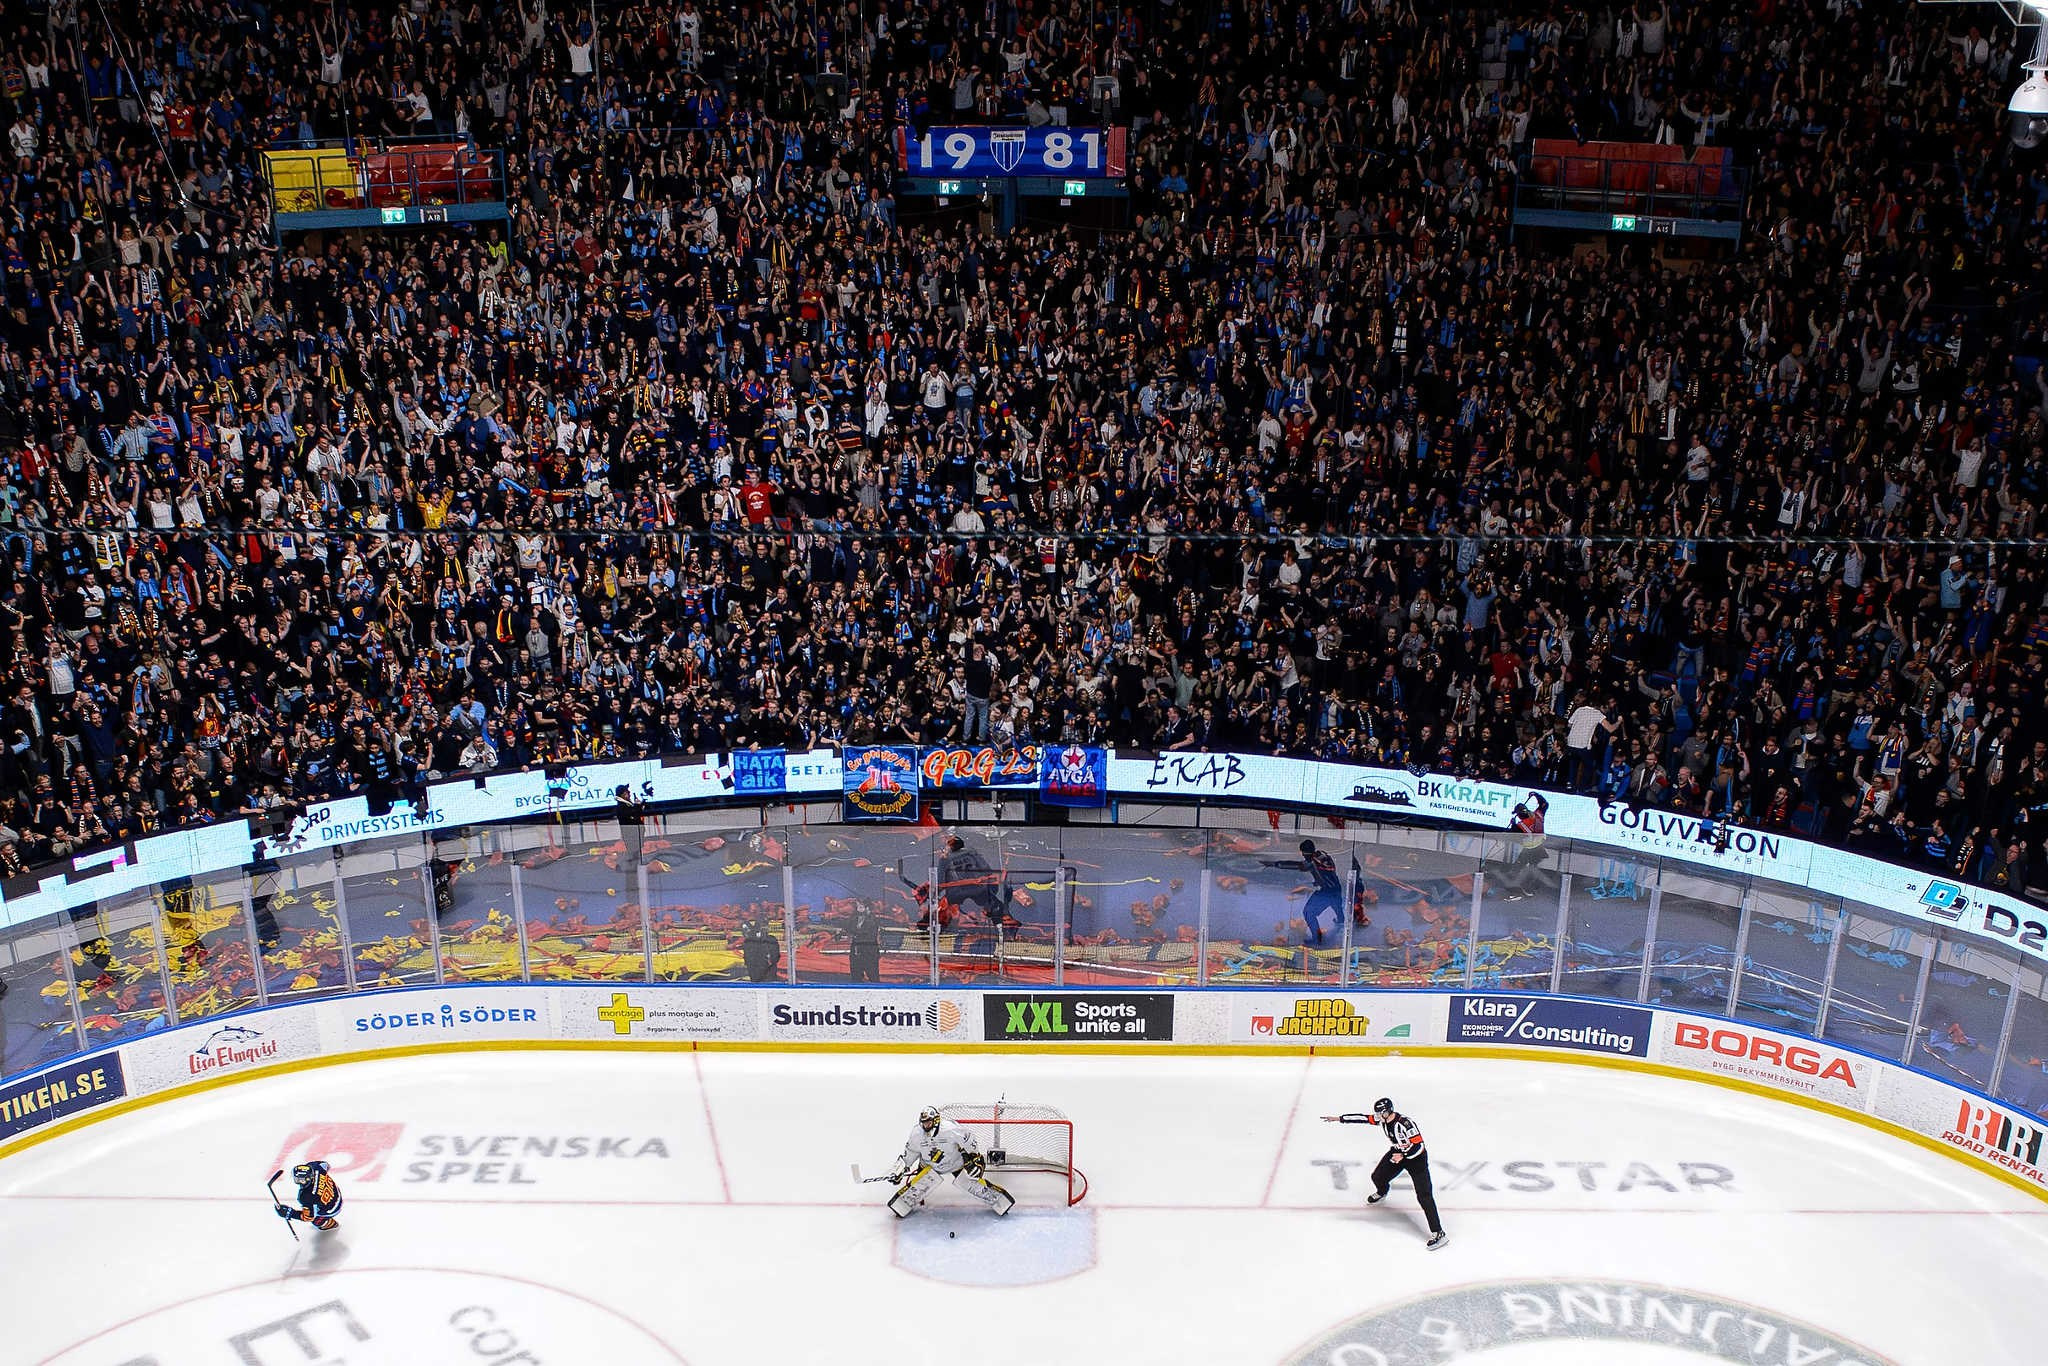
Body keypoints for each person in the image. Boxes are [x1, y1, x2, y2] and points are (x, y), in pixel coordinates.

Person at [1321, 1097, 1447, 1250]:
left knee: (1424, 1196)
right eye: (1378, 1114)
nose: (1379, 1116)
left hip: (1416, 1160)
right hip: (1398, 1152)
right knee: (1377, 1177)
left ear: (1389, 1111)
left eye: (1381, 1113)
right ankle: (1382, 1192)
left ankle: (1438, 1232)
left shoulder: (1405, 1124)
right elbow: (1363, 1118)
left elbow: (1419, 1146)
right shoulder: (1382, 1120)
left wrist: (1403, 1156)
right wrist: (1339, 1118)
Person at [887, 1105, 1013, 1218]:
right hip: (929, 1165)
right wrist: (899, 1169)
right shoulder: (917, 1134)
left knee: (969, 1182)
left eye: (928, 1122)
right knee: (921, 1184)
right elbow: (910, 1152)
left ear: (936, 1120)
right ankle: (904, 1203)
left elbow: (969, 1140)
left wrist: (976, 1157)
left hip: (955, 1163)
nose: (926, 1126)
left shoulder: (950, 1129)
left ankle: (999, 1200)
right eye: (924, 1123)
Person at [1293, 839, 1345, 945]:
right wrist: (1318, 881)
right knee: (1339, 912)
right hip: (1336, 888)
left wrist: (1273, 864)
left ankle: (1317, 940)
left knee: (1308, 912)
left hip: (1327, 892)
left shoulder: (1312, 861)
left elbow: (1296, 865)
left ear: (1305, 853)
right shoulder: (1322, 854)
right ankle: (1342, 929)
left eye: (1303, 853)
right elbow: (1327, 872)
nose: (1302, 855)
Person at [276, 1160, 343, 1231]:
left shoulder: (306, 1196)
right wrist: (321, 1180)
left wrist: (290, 1213)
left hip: (333, 1208)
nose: (298, 1182)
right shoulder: (315, 1167)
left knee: (316, 1221)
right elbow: (326, 1165)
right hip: (336, 1193)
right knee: (318, 1202)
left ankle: (331, 1224)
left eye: (300, 1180)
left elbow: (309, 1217)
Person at [841, 902, 883, 982]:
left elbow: (868, 933)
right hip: (856, 951)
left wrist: (855, 934)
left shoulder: (873, 919)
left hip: (869, 952)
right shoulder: (853, 918)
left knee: (873, 975)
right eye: (857, 906)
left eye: (861, 906)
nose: (858, 908)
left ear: (867, 908)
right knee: (856, 975)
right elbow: (848, 927)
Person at [740, 913, 781, 982]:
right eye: (762, 926)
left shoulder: (771, 939)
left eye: (765, 926)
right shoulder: (749, 941)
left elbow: (775, 957)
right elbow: (749, 958)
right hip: (756, 973)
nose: (764, 928)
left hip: (769, 974)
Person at [615, 784, 646, 868]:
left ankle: (636, 866)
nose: (629, 793)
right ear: (622, 794)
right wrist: (637, 806)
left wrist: (640, 805)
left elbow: (636, 814)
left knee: (637, 851)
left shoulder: (628, 804)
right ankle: (632, 868)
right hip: (631, 833)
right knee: (633, 850)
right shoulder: (621, 806)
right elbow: (632, 815)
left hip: (636, 832)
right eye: (627, 792)